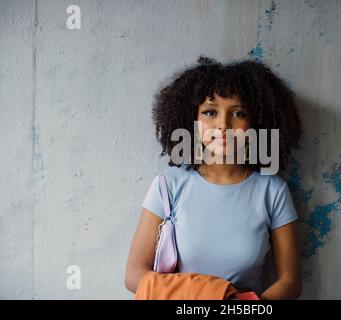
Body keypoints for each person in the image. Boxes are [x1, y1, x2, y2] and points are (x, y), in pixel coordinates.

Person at [125, 56, 303, 299]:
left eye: (238, 113)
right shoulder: (168, 185)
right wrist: (218, 297)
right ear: (193, 121)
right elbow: (133, 275)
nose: (223, 125)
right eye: (210, 112)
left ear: (256, 122)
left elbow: (290, 281)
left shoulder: (273, 191)